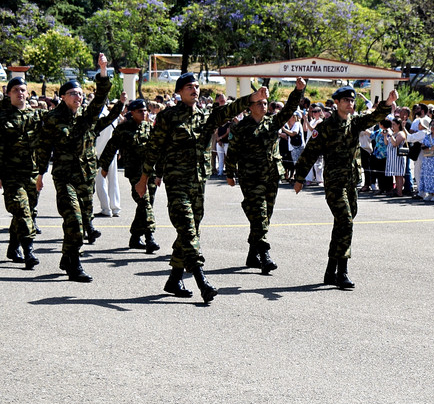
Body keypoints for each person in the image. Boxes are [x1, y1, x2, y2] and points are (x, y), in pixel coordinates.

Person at [137, 73, 265, 302]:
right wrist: (143, 179)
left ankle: (174, 279)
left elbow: (228, 110)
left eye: (196, 86)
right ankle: (201, 280)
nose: (194, 90)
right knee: (188, 230)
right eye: (189, 87)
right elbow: (153, 148)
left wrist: (251, 97)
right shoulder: (168, 117)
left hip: (198, 183)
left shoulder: (205, 116)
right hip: (177, 183)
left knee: (190, 231)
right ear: (179, 91)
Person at [293, 86, 396, 289]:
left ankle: (330, 271)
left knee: (341, 225)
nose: (350, 103)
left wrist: (388, 102)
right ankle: (342, 272)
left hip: (352, 182)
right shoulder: (325, 127)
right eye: (346, 100)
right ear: (337, 103)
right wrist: (299, 177)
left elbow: (375, 116)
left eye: (352, 100)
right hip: (334, 183)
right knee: (346, 221)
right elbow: (310, 152)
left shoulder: (355, 123)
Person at [34, 55, 124, 282]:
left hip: (85, 178)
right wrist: (40, 174)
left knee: (81, 222)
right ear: (63, 97)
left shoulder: (87, 118)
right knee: (73, 219)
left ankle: (67, 256)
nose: (78, 96)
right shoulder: (53, 119)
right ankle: (74, 265)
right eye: (73, 93)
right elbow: (43, 147)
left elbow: (101, 98)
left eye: (80, 93)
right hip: (64, 177)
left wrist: (103, 71)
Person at [225, 78, 306, 273]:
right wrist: (229, 173)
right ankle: (264, 255)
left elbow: (288, 109)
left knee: (265, 215)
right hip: (251, 177)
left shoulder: (273, 122)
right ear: (250, 107)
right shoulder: (241, 127)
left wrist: (298, 91)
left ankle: (253, 255)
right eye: (259, 103)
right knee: (259, 214)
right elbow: (232, 152)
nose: (263, 106)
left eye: (264, 103)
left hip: (271, 176)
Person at [98, 98, 159, 253]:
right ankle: (150, 237)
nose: (144, 113)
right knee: (144, 203)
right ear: (132, 112)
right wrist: (104, 167)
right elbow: (111, 147)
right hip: (134, 173)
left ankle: (135, 236)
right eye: (140, 111)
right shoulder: (123, 129)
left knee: (146, 204)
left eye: (145, 110)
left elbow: (157, 149)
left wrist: (160, 171)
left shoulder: (148, 127)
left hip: (149, 172)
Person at [1, 75, 47, 269]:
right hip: (11, 174)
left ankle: (13, 248)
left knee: (25, 212)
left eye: (23, 90)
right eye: (15, 90)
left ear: (28, 93)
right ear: (8, 93)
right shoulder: (2, 116)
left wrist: (41, 174)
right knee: (22, 210)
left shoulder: (36, 116)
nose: (20, 93)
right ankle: (29, 251)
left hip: (31, 173)